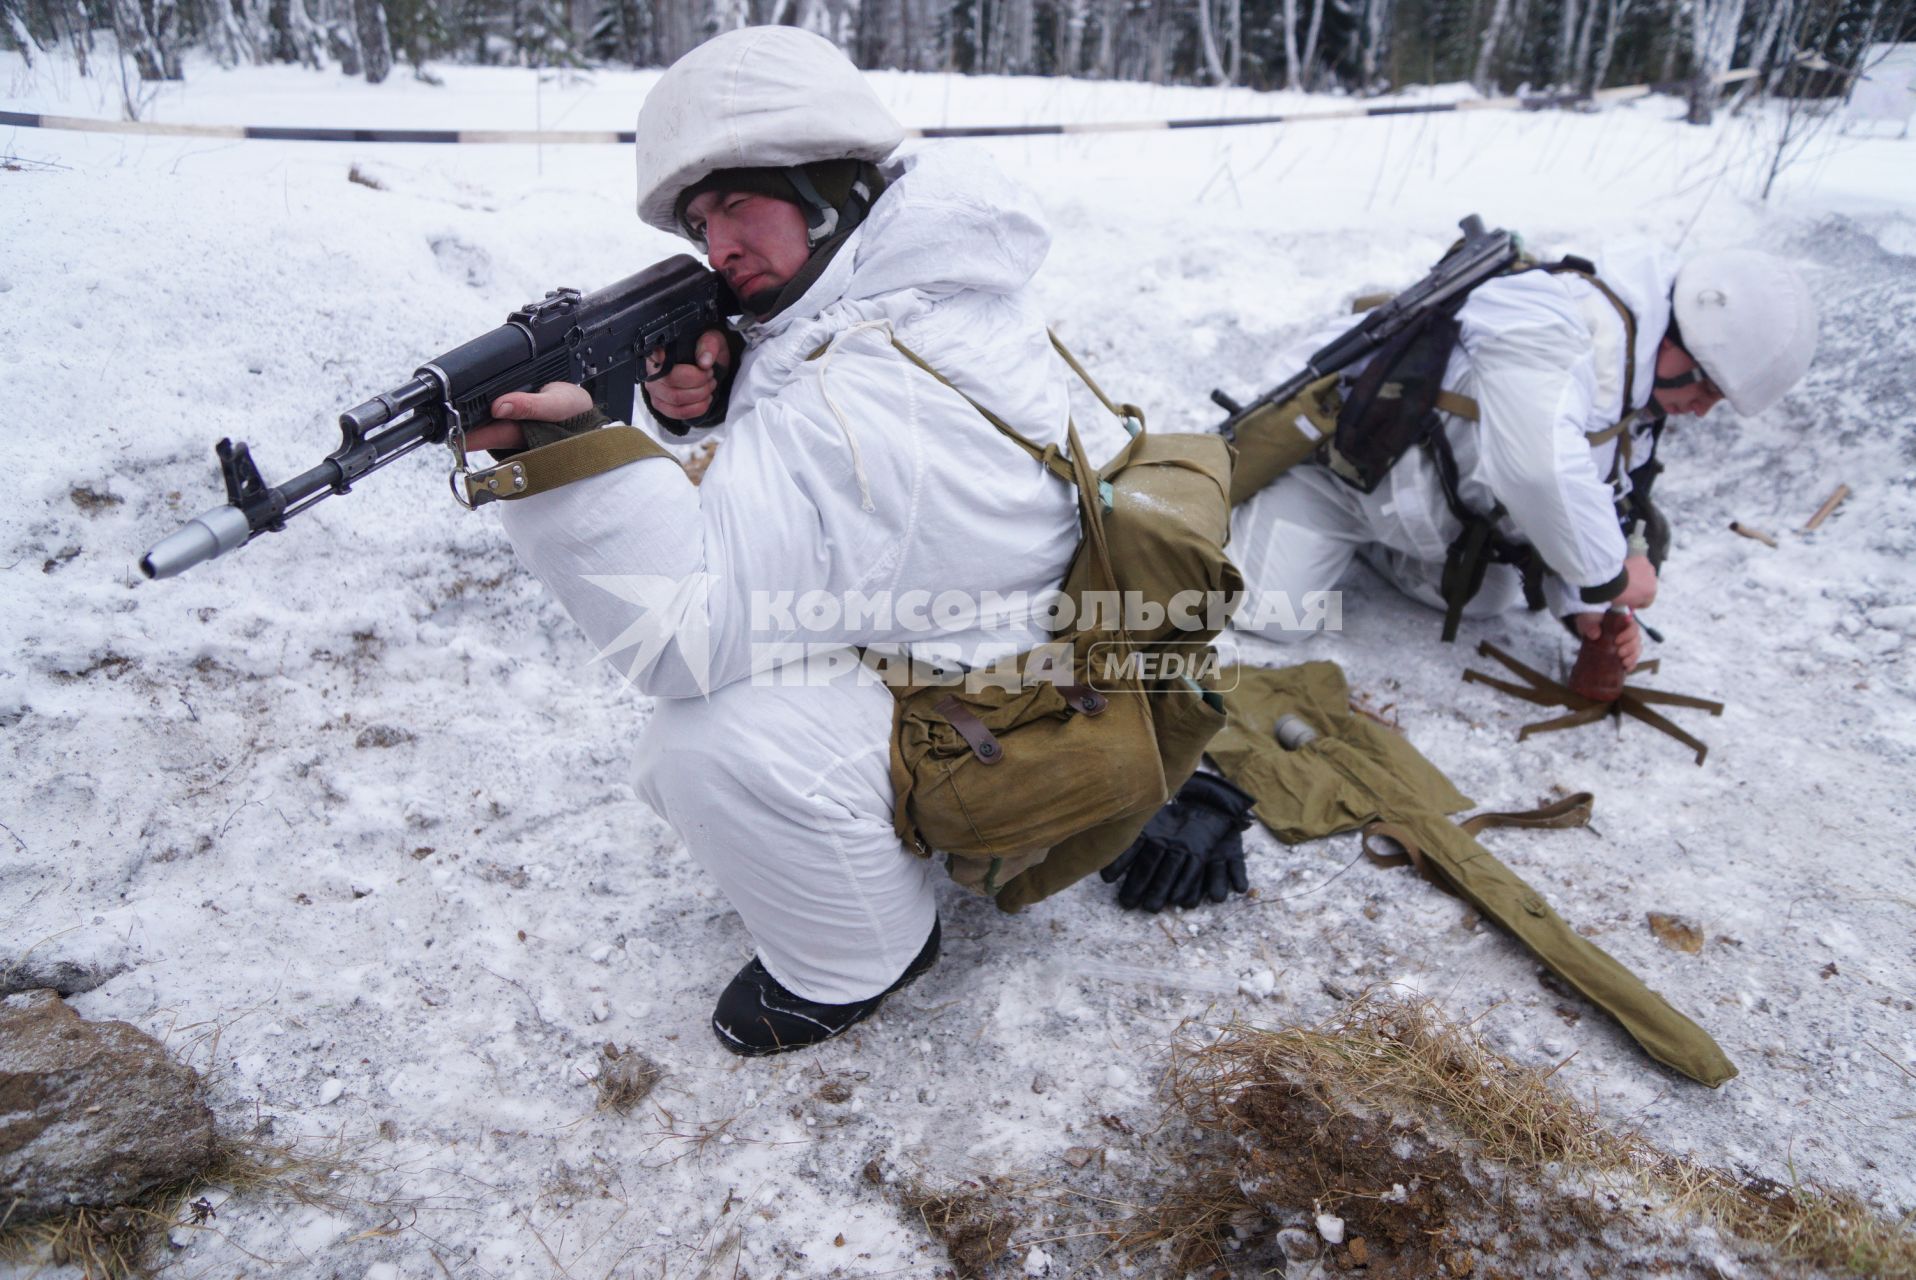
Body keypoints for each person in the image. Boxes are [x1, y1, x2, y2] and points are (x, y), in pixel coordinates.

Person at [459, 26, 1085, 1056]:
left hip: (1010, 705)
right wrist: (712, 393)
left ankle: (860, 953)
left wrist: (567, 460)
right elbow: (815, 442)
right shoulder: (913, 289)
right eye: (701, 223)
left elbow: (681, 632)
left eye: (735, 205)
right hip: (991, 629)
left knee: (707, 740)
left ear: (827, 187)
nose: (718, 250)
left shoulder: (875, 390)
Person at [1229, 245, 1818, 670]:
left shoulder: (1635, 378)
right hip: (1340, 483)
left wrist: (1579, 604)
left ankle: (1359, 556)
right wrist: (1608, 580)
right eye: (1709, 388)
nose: (1702, 410)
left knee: (1486, 599)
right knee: (1274, 617)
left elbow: (1594, 487)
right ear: (1681, 340)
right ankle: (1277, 525)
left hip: (1425, 506)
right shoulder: (1545, 317)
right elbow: (1538, 468)